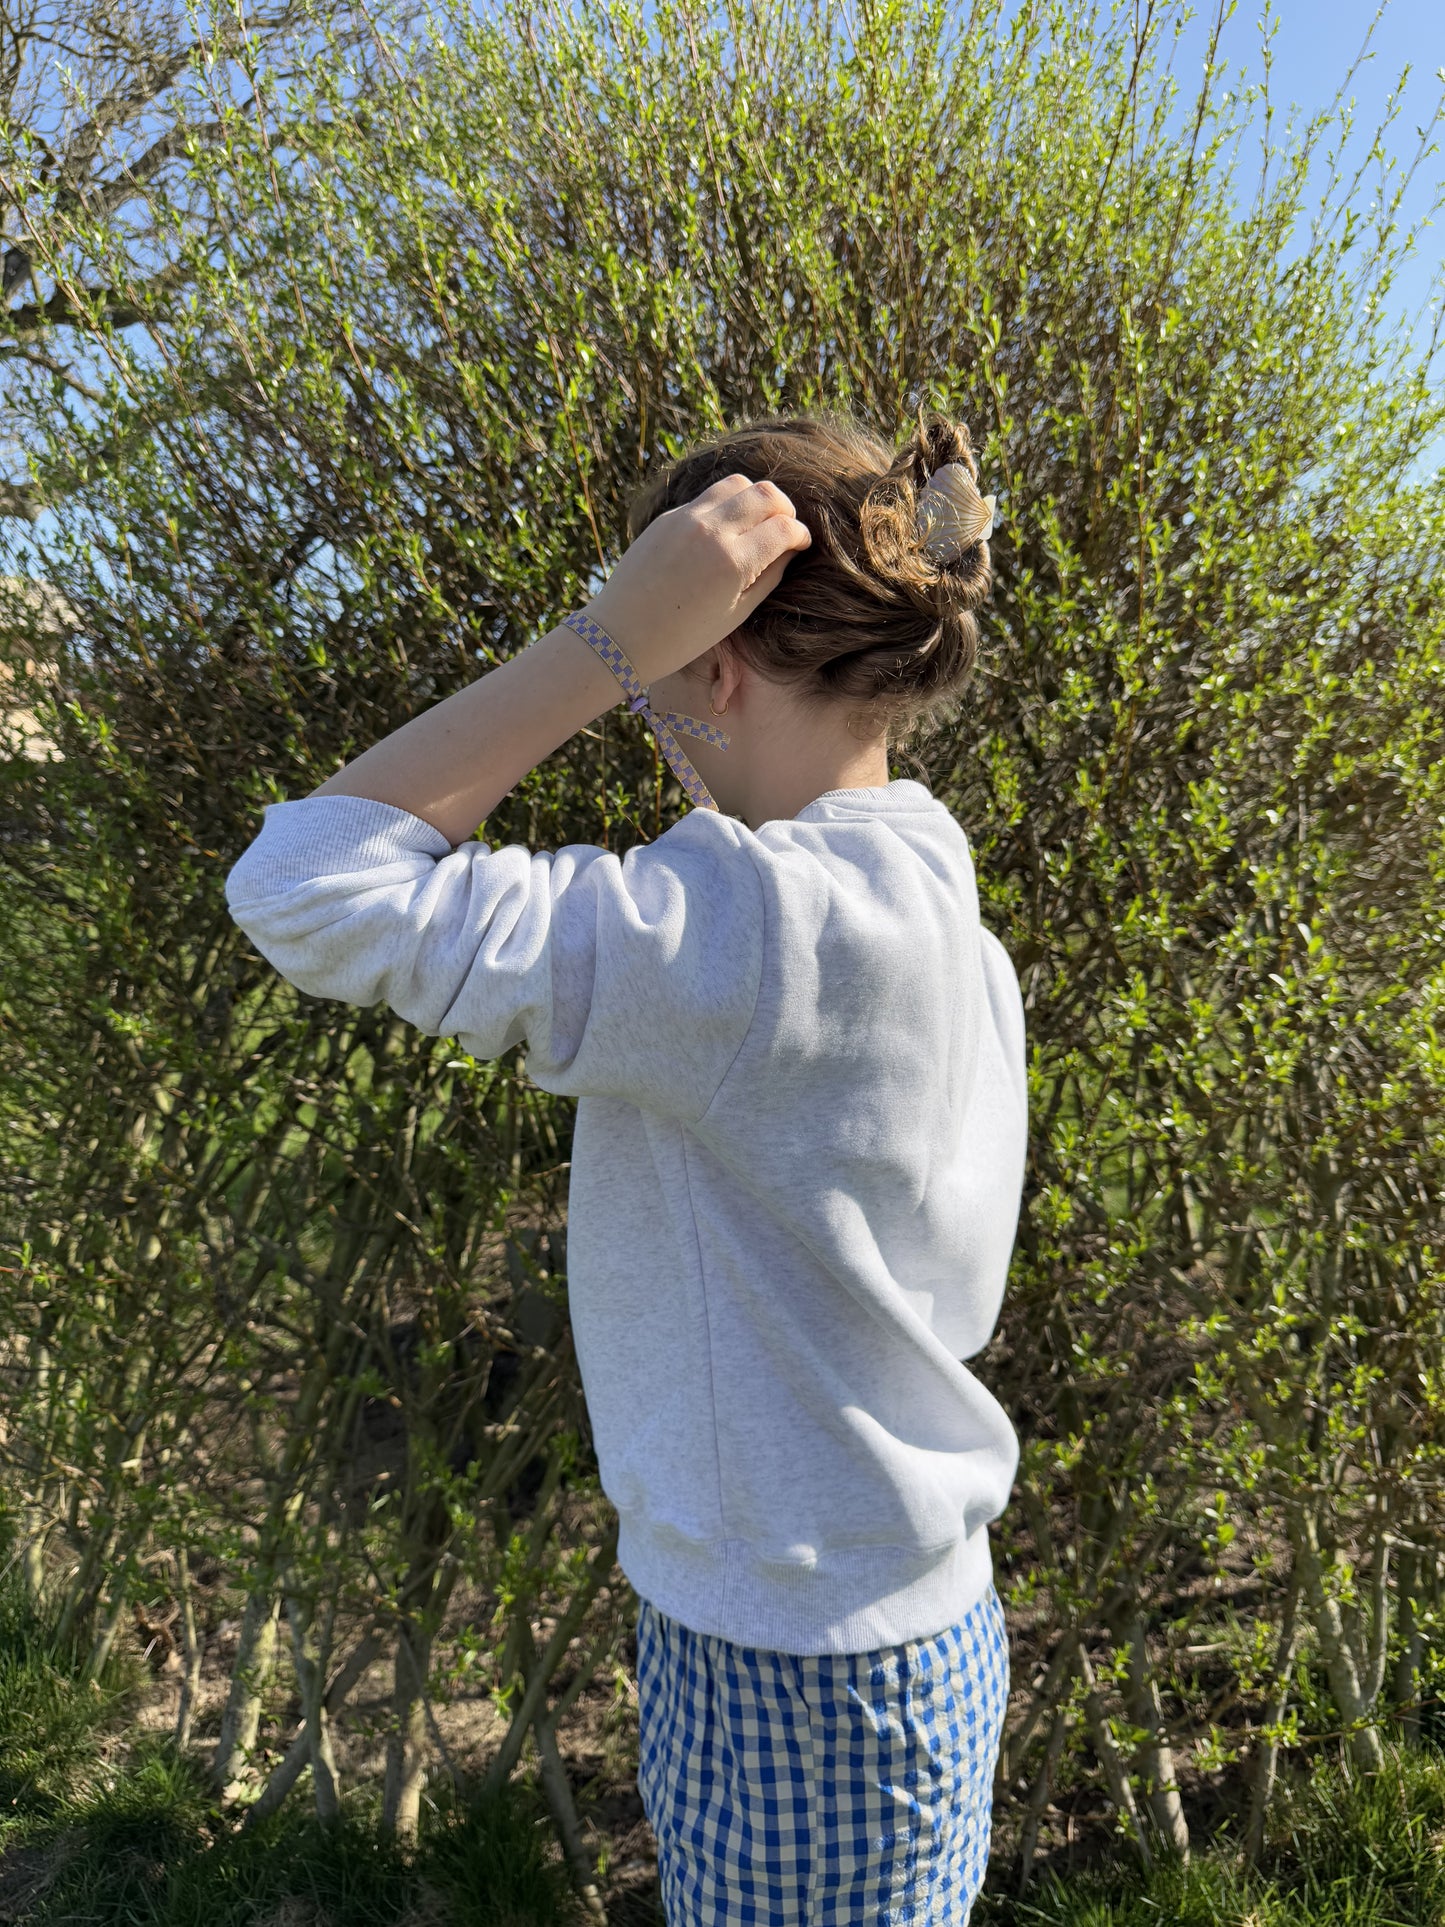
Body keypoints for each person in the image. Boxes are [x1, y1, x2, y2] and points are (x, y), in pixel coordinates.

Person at [225, 404, 1028, 1924]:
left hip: (795, 1653)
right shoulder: (923, 890)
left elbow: (305, 883)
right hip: (871, 1620)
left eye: (661, 676)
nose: (648, 713)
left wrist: (594, 643)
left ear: (714, 661)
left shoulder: (753, 930)